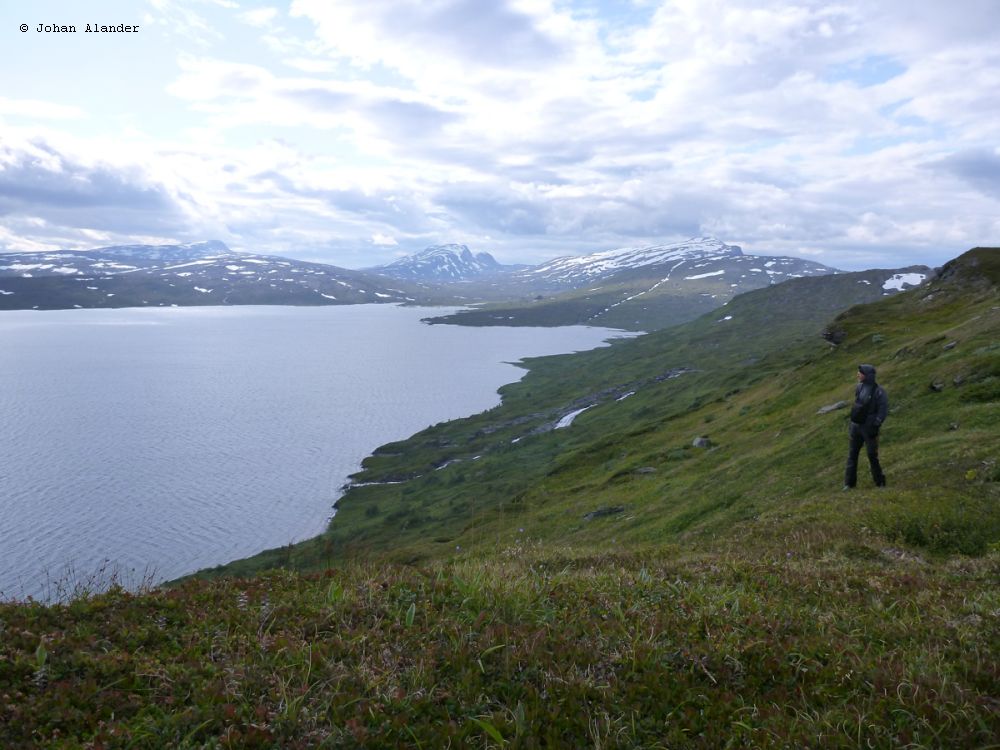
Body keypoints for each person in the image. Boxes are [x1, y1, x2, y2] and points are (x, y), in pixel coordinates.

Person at [843, 364, 888, 489]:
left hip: (869, 429)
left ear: (867, 375)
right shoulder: (859, 387)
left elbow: (883, 410)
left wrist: (876, 424)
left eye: (860, 372)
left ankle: (880, 483)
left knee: (872, 455)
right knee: (852, 455)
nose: (858, 374)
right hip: (856, 427)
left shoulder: (879, 391)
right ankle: (849, 484)